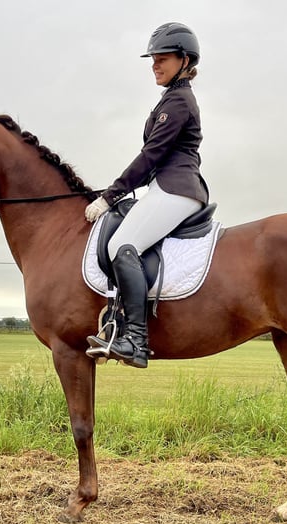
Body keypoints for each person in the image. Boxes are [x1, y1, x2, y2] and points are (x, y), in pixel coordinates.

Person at [84, 22, 209, 368]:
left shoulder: (180, 101)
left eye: (163, 59)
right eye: (153, 59)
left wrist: (110, 195)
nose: (155, 65)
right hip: (166, 186)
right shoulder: (170, 98)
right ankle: (117, 324)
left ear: (185, 60)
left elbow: (151, 155)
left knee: (121, 246)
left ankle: (135, 340)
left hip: (176, 188)